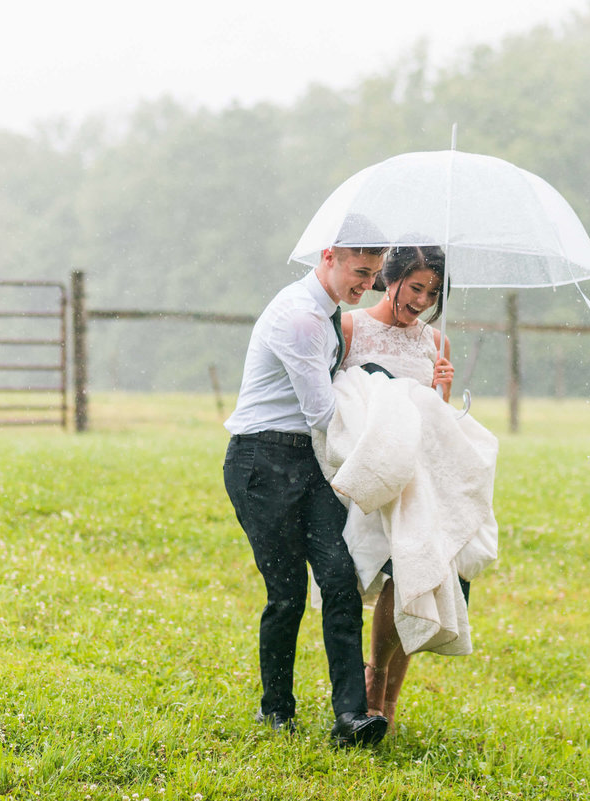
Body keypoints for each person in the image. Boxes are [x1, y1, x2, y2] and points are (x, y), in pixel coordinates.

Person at [222, 237, 391, 747]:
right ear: (328, 257)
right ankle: (276, 710)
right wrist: (387, 418)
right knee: (288, 594)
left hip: (308, 461)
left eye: (373, 274)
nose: (367, 284)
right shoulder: (299, 317)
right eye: (359, 272)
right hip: (260, 462)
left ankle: (351, 718)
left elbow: (331, 391)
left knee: (340, 579)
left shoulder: (329, 311)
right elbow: (322, 411)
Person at [337, 244, 462, 731]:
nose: (423, 300)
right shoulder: (350, 328)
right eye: (417, 287)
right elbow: (338, 404)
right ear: (392, 279)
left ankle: (384, 691)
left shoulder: (437, 344)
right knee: (366, 575)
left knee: (414, 572)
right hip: (368, 472)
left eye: (433, 292)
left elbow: (439, 424)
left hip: (419, 480)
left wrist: (442, 393)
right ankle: (365, 682)